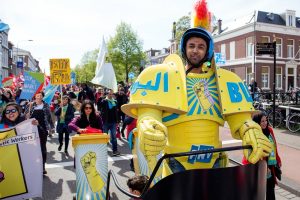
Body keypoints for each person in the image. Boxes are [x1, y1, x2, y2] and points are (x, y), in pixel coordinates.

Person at [121, 0, 271, 177]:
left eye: (201, 47)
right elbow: (149, 114)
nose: (195, 50)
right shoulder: (164, 76)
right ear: (184, 49)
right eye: (191, 46)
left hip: (215, 163)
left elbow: (240, 119)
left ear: (207, 51)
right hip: (176, 163)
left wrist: (250, 130)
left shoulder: (224, 80)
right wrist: (147, 123)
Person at [242, 112, 282, 200]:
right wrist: (262, 166)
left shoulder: (270, 130)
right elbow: (252, 153)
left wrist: (278, 159)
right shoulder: (253, 134)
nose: (265, 123)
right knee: (260, 190)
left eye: (266, 120)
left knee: (270, 189)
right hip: (260, 166)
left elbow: (274, 146)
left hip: (271, 165)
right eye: (262, 121)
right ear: (257, 122)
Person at [25, 92, 53, 175]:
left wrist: (51, 127)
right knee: (32, 148)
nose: (39, 97)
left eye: (41, 96)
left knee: (42, 148)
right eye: (38, 95)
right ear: (35, 96)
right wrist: (27, 113)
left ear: (43, 97)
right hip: (32, 129)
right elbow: (25, 116)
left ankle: (43, 166)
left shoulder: (46, 105)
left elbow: (49, 116)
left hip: (43, 128)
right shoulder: (30, 105)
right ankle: (34, 166)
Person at [99, 89, 120, 156]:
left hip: (113, 122)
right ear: (107, 94)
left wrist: (118, 121)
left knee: (114, 137)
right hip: (106, 122)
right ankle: (103, 150)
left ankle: (115, 150)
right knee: (104, 137)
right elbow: (99, 105)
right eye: (109, 94)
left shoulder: (115, 101)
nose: (111, 95)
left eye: (112, 94)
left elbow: (117, 112)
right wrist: (101, 97)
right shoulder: (104, 101)